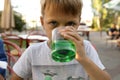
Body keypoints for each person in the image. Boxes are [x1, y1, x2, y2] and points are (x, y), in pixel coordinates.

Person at [11, 0, 111, 80]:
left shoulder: (86, 49)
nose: (62, 32)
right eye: (53, 23)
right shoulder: (33, 53)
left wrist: (83, 59)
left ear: (78, 22)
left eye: (71, 24)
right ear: (42, 22)